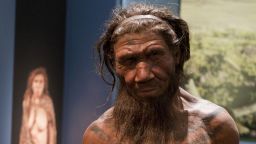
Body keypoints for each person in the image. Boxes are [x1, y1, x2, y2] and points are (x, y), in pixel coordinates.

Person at [83, 3, 239, 144]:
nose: (143, 75)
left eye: (155, 55)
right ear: (114, 64)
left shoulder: (215, 125)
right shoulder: (100, 136)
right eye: (129, 60)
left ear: (176, 55)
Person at [19, 67, 57, 144]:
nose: (38, 84)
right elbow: (24, 128)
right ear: (31, 84)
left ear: (44, 84)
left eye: (41, 82)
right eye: (36, 81)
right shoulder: (27, 102)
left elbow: (52, 128)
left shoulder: (47, 102)